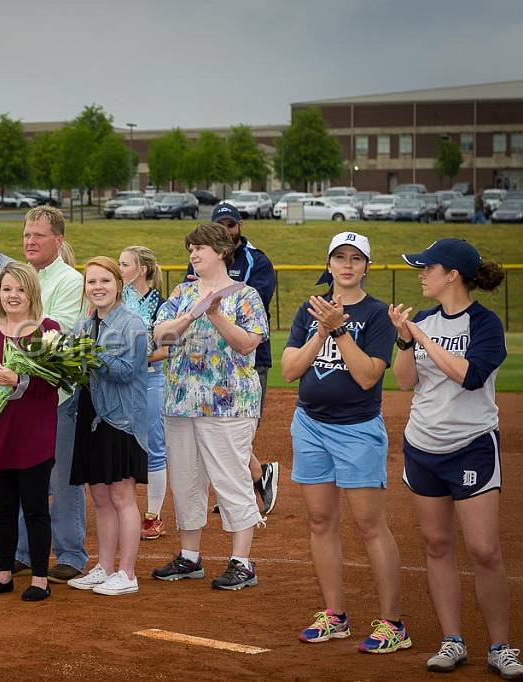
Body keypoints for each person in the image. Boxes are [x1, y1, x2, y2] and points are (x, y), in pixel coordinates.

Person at [391, 239, 521, 678]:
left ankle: (501, 646)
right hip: (423, 445)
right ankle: (453, 640)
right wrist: (405, 341)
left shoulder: (484, 324)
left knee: (484, 550)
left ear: (453, 275)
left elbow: (470, 376)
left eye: (428, 267)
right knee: (437, 544)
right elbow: (405, 382)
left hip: (471, 446)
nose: (421, 274)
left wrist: (422, 335)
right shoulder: (423, 320)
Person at [281, 232, 408, 653]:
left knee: (370, 525)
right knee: (320, 521)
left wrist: (339, 331)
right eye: (340, 257)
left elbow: (368, 376)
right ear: (329, 263)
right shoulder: (310, 308)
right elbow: (289, 370)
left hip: (356, 429)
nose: (348, 265)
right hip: (311, 425)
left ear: (367, 266)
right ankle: (334, 614)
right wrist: (320, 331)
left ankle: (393, 623)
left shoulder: (374, 314)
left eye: (356, 258)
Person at [153, 222, 268, 590]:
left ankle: (242, 561)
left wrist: (216, 314)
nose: (194, 254)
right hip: (182, 400)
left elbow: (248, 345)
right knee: (186, 481)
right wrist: (191, 313)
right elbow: (161, 335)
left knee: (231, 480)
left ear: (220, 251)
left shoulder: (245, 295)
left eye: (200, 248)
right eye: (191, 250)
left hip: (229, 404)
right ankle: (189, 557)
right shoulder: (183, 292)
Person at [0, 262, 60, 601]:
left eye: (20, 289)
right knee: (3, 508)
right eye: (7, 289)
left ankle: (39, 577)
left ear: (31, 293)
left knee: (36, 507)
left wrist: (19, 381)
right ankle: (5, 572)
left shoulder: (47, 330)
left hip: (33, 432)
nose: (13, 295)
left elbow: (54, 381)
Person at [186, 203, 280, 514]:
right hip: (204, 361)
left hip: (249, 357)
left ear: (239, 225)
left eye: (231, 224)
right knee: (217, 430)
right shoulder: (200, 261)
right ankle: (253, 475)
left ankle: (250, 481)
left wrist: (215, 302)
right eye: (220, 224)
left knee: (239, 429)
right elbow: (191, 300)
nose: (227, 229)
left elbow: (251, 305)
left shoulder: (258, 260)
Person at [11, 206, 87, 584]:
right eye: (27, 235)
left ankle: (71, 553)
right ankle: (25, 551)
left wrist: (15, 330)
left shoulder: (70, 280)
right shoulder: (20, 277)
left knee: (62, 479)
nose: (30, 241)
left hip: (56, 395)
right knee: (26, 473)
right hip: (19, 393)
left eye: (38, 235)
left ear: (58, 240)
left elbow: (57, 335)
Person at [66, 257, 148, 596]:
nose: (97, 287)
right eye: (91, 282)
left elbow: (128, 370)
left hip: (121, 418)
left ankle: (127, 573)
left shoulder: (133, 324)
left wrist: (90, 353)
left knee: (121, 494)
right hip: (92, 415)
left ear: (119, 285)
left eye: (105, 281)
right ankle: (105, 566)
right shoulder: (85, 325)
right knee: (99, 496)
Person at [119, 246, 169, 540]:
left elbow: (166, 349)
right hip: (117, 382)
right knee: (120, 444)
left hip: (149, 379)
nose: (119, 269)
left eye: (124, 264)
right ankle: (124, 510)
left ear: (142, 270)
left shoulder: (161, 305)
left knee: (153, 446)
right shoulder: (113, 299)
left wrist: (137, 359)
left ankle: (153, 515)